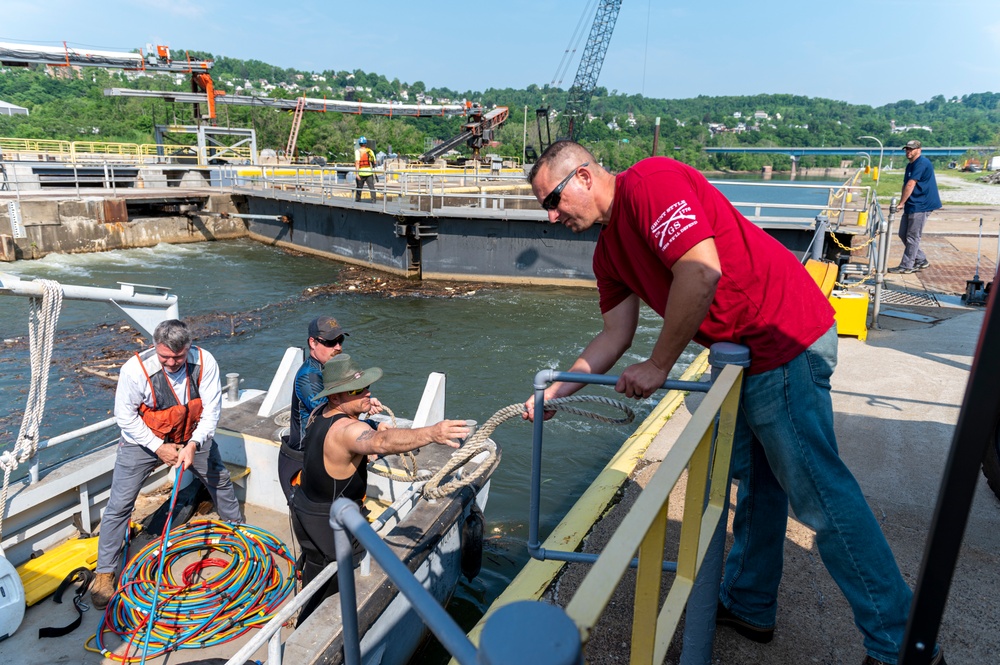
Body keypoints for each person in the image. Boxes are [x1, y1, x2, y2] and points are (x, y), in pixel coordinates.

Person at [523, 141, 942, 665]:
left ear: (583, 177)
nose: (551, 215)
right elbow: (613, 336)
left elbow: (700, 271)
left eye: (553, 199)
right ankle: (749, 601)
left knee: (823, 498)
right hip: (746, 358)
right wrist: (554, 391)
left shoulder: (653, 182)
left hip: (784, 338)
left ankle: (902, 645)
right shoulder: (608, 253)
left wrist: (659, 366)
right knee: (758, 481)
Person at [289, 354, 469, 624]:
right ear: (336, 397)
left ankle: (307, 613)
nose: (367, 392)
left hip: (305, 511)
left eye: (366, 387)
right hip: (332, 527)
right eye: (355, 390)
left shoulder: (319, 413)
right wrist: (432, 432)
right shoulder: (347, 430)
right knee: (332, 594)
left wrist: (360, 408)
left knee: (315, 569)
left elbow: (359, 434)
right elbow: (381, 442)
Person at [91, 319, 243, 609]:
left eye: (178, 356)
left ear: (189, 347)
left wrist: (193, 445)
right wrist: (158, 447)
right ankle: (105, 573)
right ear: (154, 347)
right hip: (144, 440)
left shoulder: (204, 361)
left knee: (219, 480)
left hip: (192, 435)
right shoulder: (134, 371)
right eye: (165, 357)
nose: (172, 363)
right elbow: (125, 417)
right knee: (120, 504)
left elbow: (211, 410)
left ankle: (238, 531)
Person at [279, 316, 348, 502]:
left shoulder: (330, 369)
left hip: (321, 454)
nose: (338, 347)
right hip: (302, 460)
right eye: (331, 342)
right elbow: (330, 416)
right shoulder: (308, 378)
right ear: (312, 342)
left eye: (340, 341)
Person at [889, 139, 941, 274]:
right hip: (912, 203)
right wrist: (903, 202)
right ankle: (921, 260)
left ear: (919, 150)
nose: (908, 151)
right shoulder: (910, 165)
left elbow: (911, 184)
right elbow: (906, 184)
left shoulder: (922, 163)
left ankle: (907, 266)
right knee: (903, 234)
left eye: (911, 149)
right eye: (907, 149)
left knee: (912, 236)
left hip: (921, 204)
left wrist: (901, 204)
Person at [354, 136, 377, 203]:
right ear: (366, 143)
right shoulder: (370, 151)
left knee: (359, 188)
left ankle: (358, 200)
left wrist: (357, 173)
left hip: (361, 173)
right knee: (372, 188)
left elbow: (357, 162)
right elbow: (374, 162)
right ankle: (374, 200)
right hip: (369, 172)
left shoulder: (357, 151)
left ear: (359, 144)